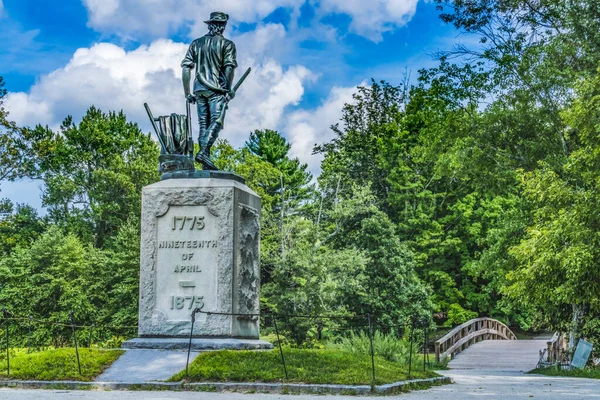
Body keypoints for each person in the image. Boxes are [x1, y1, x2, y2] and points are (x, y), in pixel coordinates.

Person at [181, 11, 237, 169]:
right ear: (222, 26)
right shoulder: (227, 45)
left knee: (203, 124)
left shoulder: (196, 43)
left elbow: (186, 68)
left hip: (199, 88)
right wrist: (227, 89)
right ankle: (204, 152)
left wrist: (187, 93)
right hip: (216, 90)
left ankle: (206, 161)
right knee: (216, 122)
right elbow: (229, 68)